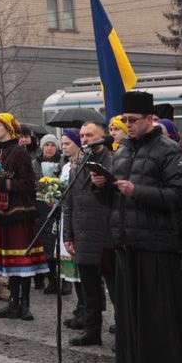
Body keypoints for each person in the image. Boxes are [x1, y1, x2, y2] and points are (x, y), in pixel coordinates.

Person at [95, 91, 182, 363]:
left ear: (150, 119)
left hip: (157, 242)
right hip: (128, 241)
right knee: (136, 313)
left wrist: (138, 191)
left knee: (161, 313)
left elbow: (181, 195)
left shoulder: (169, 150)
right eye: (124, 120)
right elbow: (114, 197)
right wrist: (101, 187)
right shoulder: (122, 150)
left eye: (133, 120)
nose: (128, 125)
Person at [0, 113, 44, 318]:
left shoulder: (19, 151)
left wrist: (1, 183)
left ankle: (24, 304)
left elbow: (28, 183)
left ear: (9, 128)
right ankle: (13, 302)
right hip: (2, 210)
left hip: (18, 212)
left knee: (21, 258)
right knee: (10, 259)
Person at [61, 122, 112, 347]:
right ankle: (92, 331)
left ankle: (124, 333)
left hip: (106, 236)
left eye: (89, 135)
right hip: (82, 236)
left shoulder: (113, 162)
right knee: (89, 291)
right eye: (82, 136)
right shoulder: (77, 166)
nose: (85, 139)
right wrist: (68, 235)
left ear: (102, 136)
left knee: (116, 291)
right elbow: (69, 204)